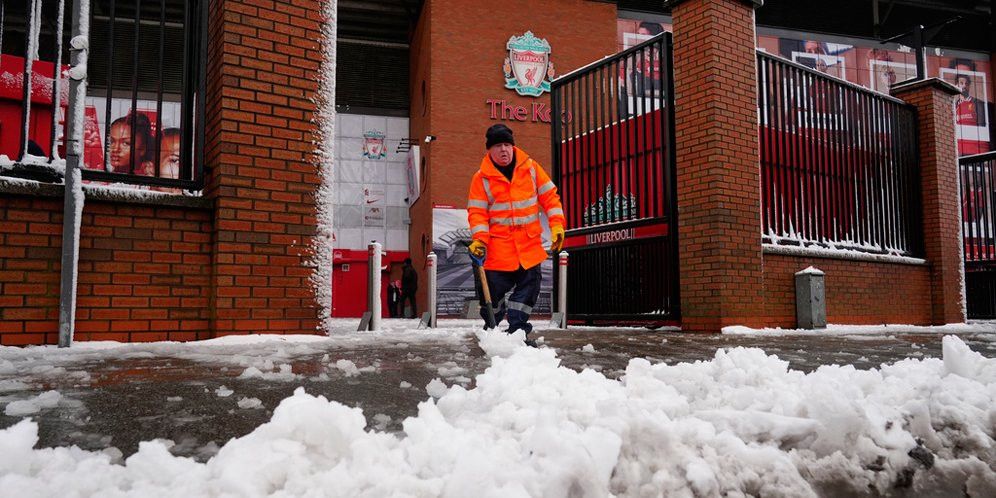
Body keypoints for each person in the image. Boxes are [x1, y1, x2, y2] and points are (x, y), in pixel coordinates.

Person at [466, 124, 565, 342]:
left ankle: (518, 331)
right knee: (492, 298)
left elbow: (550, 197)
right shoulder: (481, 178)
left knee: (527, 292)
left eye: (508, 145)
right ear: (489, 150)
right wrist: (480, 241)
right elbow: (477, 213)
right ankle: (492, 331)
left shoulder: (530, 168)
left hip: (528, 248)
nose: (504, 150)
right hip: (498, 252)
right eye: (499, 146)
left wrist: (557, 225)